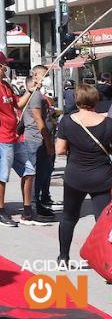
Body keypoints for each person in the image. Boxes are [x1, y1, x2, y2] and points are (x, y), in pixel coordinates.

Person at [0, 52, 46, 227]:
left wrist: (31, 90)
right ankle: (0, 212)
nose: (8, 67)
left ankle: (27, 212)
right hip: (0, 138)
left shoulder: (5, 85)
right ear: (0, 66)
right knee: (2, 175)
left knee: (29, 172)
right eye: (6, 64)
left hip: (13, 137)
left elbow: (18, 104)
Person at [57, 84, 112, 264]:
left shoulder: (66, 121)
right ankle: (104, 260)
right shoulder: (108, 123)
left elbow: (60, 150)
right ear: (96, 99)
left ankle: (63, 257)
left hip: (75, 176)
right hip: (102, 177)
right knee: (102, 222)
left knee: (68, 217)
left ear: (77, 100)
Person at [22, 67, 58, 220]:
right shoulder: (35, 95)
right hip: (36, 139)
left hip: (41, 138)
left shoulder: (40, 95)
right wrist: (48, 141)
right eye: (45, 75)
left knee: (43, 172)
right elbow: (38, 119)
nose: (47, 78)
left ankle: (40, 202)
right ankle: (34, 205)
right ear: (36, 75)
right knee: (35, 173)